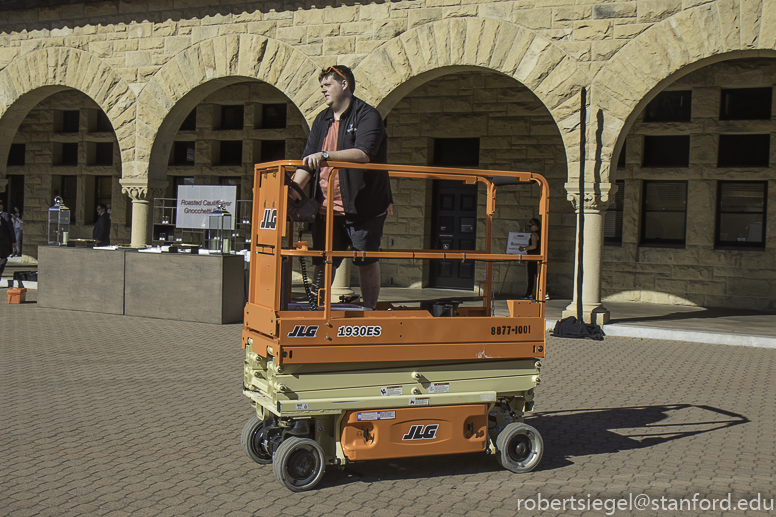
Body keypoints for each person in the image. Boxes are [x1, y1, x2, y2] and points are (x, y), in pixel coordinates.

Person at [291, 65, 391, 309]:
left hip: (363, 208)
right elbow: (307, 163)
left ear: (344, 84)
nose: (323, 90)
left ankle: (369, 311)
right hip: (325, 209)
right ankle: (317, 308)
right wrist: (290, 193)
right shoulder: (322, 119)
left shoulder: (367, 115)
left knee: (365, 259)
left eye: (328, 85)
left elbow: (364, 153)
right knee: (323, 261)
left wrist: (326, 155)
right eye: (321, 86)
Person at [520, 218, 541, 299]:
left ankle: (529, 293)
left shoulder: (534, 234)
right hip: (537, 258)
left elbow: (534, 246)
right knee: (539, 276)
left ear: (536, 225)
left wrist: (524, 248)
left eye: (531, 226)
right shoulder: (540, 234)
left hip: (533, 258)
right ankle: (545, 292)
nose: (531, 227)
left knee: (531, 277)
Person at [0, 200, 16, 281]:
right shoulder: (6, 215)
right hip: (4, 241)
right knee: (3, 258)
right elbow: (10, 229)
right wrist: (14, 241)